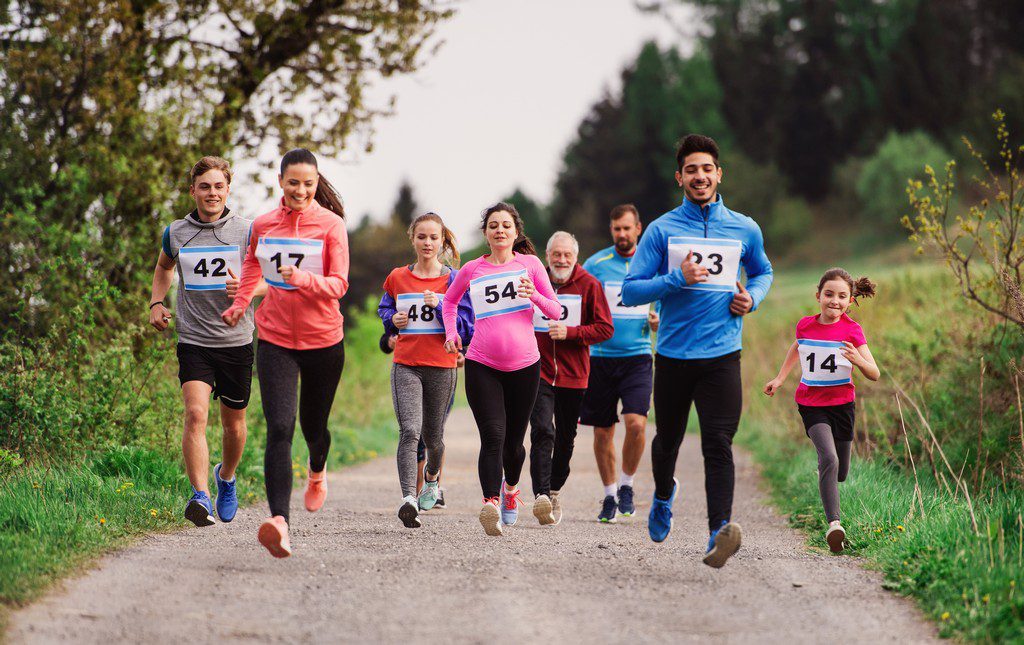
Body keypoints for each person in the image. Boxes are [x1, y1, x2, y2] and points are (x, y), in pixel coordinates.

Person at [622, 134, 773, 568]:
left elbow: (763, 271)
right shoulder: (662, 230)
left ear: (719, 173)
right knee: (666, 439)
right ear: (679, 177)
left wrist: (753, 298)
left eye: (707, 168)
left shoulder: (744, 227)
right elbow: (631, 292)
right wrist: (675, 280)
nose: (700, 176)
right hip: (673, 355)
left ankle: (718, 532)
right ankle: (664, 495)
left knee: (718, 442)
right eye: (691, 169)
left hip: (723, 354)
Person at [222, 148, 349, 558]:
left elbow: (339, 284)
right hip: (275, 338)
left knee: (314, 427)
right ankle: (281, 523)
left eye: (308, 184)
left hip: (323, 340)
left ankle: (317, 469)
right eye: (293, 182)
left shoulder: (331, 226)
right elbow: (252, 268)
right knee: (279, 426)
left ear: (316, 184)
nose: (300, 190)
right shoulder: (264, 224)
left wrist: (304, 280)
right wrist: (241, 304)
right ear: (281, 181)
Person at [149, 156, 265, 527]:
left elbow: (269, 279)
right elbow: (165, 267)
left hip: (236, 340)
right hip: (194, 339)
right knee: (196, 414)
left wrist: (246, 290)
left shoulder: (248, 231)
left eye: (218, 186)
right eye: (204, 186)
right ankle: (200, 496)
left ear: (228, 189)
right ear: (193, 191)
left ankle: (226, 478)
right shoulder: (176, 232)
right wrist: (156, 302)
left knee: (234, 426)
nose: (212, 193)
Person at [441, 202, 560, 537]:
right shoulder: (473, 269)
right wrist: (452, 334)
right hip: (482, 364)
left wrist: (534, 294)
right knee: (492, 436)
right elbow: (449, 302)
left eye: (506, 225)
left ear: (516, 232)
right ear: (485, 233)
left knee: (513, 443)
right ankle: (491, 502)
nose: (499, 230)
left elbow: (556, 310)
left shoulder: (531, 265)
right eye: (493, 225)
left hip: (525, 365)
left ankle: (511, 491)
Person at [763, 268, 879, 553]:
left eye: (842, 296)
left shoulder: (853, 331)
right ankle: (834, 525)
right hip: (812, 405)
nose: (834, 301)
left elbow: (874, 373)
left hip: (842, 406)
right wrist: (780, 378)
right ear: (818, 296)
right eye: (829, 295)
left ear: (850, 300)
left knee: (840, 470)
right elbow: (797, 347)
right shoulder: (805, 325)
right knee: (828, 458)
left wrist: (858, 360)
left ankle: (827, 475)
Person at [377, 213, 473, 528]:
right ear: (413, 239)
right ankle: (408, 498)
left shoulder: (454, 279)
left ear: (442, 240)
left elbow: (467, 325)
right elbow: (385, 307)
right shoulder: (397, 277)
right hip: (406, 363)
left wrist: (442, 305)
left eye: (433, 237)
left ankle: (432, 478)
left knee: (434, 437)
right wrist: (393, 320)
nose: (427, 243)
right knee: (409, 431)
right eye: (422, 237)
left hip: (442, 366)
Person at [580, 204, 659, 523]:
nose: (622, 234)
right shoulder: (596, 264)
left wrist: (659, 319)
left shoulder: (653, 262)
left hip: (638, 356)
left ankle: (627, 485)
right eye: (617, 229)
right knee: (602, 433)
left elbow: (667, 298)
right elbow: (579, 299)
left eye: (627, 228)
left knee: (637, 424)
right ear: (611, 230)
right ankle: (610, 494)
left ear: (638, 228)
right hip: (600, 359)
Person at [528, 231, 613, 525]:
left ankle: (553, 490)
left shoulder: (589, 285)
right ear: (547, 257)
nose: (561, 260)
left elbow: (605, 328)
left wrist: (571, 333)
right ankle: (540, 496)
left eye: (567, 255)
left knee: (566, 438)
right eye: (556, 255)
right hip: (537, 371)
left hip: (574, 375)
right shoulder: (535, 282)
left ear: (575, 258)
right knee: (542, 430)